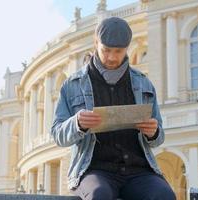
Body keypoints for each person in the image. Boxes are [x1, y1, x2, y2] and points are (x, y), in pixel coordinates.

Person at [51, 17, 176, 200]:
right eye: (106, 50)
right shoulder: (72, 85)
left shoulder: (144, 83)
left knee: (164, 196)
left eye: (118, 51)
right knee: (99, 195)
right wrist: (77, 123)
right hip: (94, 171)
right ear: (96, 43)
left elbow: (158, 139)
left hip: (138, 172)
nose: (111, 57)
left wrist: (154, 132)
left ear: (127, 48)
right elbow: (57, 134)